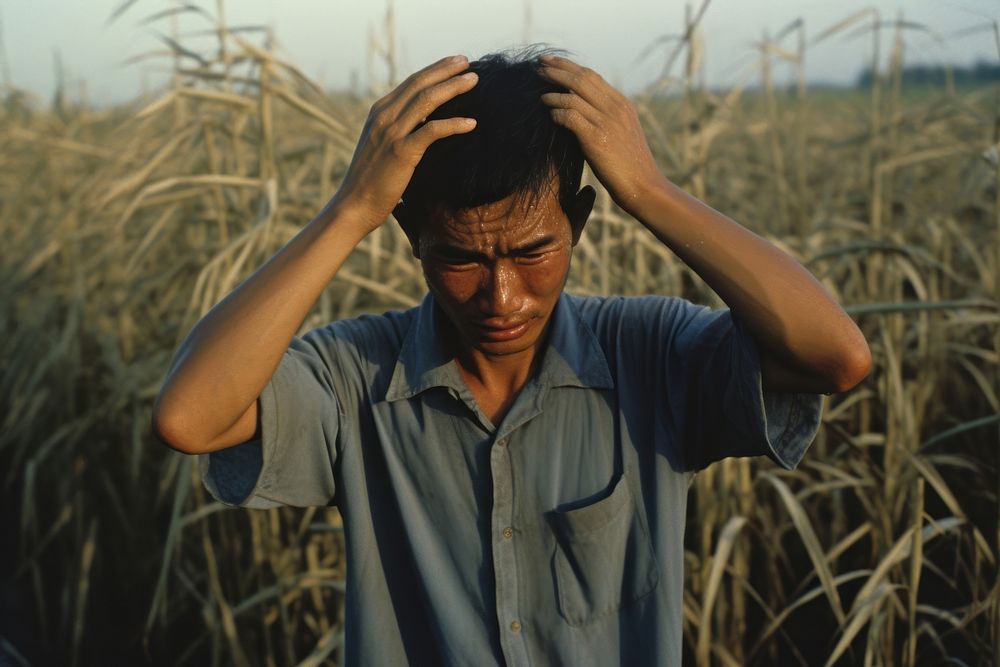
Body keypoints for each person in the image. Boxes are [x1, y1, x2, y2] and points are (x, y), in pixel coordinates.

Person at [152, 48, 871, 666]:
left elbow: (834, 358)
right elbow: (192, 418)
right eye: (461, 257)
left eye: (533, 252)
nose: (501, 296)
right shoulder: (357, 379)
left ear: (581, 221)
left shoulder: (648, 357)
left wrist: (651, 193)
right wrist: (349, 208)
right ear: (411, 236)